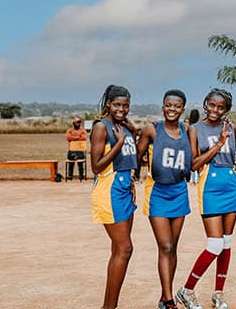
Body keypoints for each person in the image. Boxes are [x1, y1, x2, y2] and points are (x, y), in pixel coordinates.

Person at [177, 89, 236, 309]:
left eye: (220, 107)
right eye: (211, 105)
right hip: (210, 186)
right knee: (214, 244)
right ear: (205, 105)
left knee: (226, 243)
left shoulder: (232, 128)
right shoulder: (195, 129)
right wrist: (219, 144)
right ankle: (186, 290)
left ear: (226, 110)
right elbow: (194, 164)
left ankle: (218, 293)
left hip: (231, 185)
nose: (215, 110)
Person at [137, 90, 192, 309]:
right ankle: (169, 301)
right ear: (163, 106)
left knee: (173, 247)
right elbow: (137, 155)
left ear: (183, 109)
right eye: (168, 105)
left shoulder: (187, 130)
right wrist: (132, 179)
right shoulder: (153, 129)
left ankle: (164, 294)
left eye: (177, 106)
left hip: (179, 191)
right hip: (158, 191)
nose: (172, 109)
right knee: (165, 245)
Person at [90, 85, 138, 309]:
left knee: (119, 250)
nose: (122, 109)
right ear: (108, 104)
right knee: (125, 249)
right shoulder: (102, 127)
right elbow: (96, 166)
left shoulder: (122, 126)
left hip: (123, 189)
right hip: (109, 191)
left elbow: (129, 158)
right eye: (117, 104)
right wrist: (118, 143)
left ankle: (109, 306)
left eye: (126, 105)